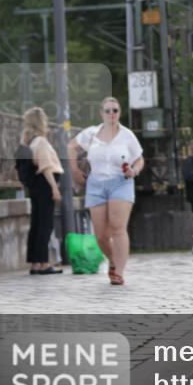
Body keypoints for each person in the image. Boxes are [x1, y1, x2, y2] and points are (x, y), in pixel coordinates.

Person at [67, 97, 144, 286]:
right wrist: (75, 171)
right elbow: (71, 147)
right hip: (96, 184)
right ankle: (113, 260)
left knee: (118, 228)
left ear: (119, 113)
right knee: (101, 236)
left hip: (121, 182)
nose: (111, 114)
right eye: (108, 110)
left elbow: (139, 159)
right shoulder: (91, 133)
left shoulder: (127, 135)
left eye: (115, 110)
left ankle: (119, 272)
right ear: (101, 113)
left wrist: (134, 170)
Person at [19, 107, 64, 275]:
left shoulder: (29, 142)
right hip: (45, 185)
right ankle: (43, 263)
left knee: (37, 224)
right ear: (41, 121)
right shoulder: (41, 142)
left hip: (35, 186)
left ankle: (35, 263)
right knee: (45, 224)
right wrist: (54, 188)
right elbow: (46, 167)